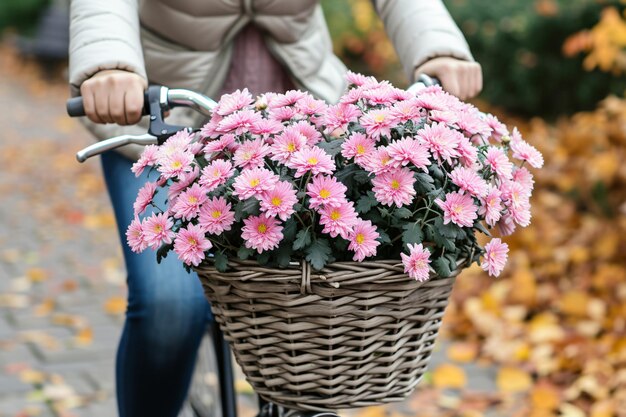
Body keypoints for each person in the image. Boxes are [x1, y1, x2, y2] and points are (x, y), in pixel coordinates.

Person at [68, 1, 482, 416]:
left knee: (326, 289)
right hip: (168, 114)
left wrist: (438, 49)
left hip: (301, 109)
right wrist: (109, 64)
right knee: (169, 308)